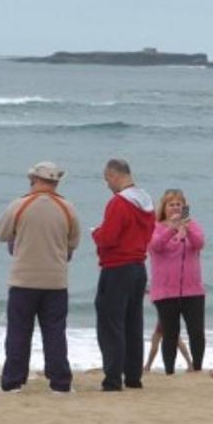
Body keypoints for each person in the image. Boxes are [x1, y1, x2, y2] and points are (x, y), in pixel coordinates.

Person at [0, 161, 80, 393]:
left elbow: (1, 233)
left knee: (18, 333)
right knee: (54, 333)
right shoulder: (67, 208)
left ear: (34, 180)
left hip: (23, 280)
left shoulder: (20, 205)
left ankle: (12, 382)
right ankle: (60, 383)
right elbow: (73, 243)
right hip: (55, 281)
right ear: (55, 182)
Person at [92, 159, 156, 391]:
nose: (108, 184)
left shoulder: (119, 203)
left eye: (108, 179)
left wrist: (96, 234)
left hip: (117, 266)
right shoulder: (146, 201)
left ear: (114, 175)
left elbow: (109, 238)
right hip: (138, 266)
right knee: (133, 322)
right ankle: (133, 376)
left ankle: (112, 378)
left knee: (111, 323)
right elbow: (150, 232)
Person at [148, 188, 206, 374]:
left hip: (192, 290)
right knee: (170, 333)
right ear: (164, 207)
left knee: (196, 331)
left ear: (184, 207)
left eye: (179, 204)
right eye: (171, 204)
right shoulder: (155, 227)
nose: (175, 208)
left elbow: (199, 244)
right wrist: (171, 228)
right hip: (165, 291)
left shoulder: (192, 225)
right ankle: (169, 371)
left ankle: (197, 368)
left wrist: (186, 229)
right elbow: (155, 246)